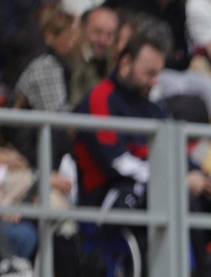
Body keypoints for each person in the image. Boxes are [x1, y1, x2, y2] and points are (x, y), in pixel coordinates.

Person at [72, 32, 168, 210]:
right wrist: (166, 178)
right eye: (149, 73)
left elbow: (172, 150)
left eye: (158, 74)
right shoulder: (101, 97)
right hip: (104, 196)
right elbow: (115, 161)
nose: (155, 81)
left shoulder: (154, 103)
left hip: (145, 184)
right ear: (125, 64)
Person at [66, 6, 118, 104]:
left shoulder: (114, 67)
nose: (102, 40)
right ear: (83, 28)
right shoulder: (67, 59)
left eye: (109, 35)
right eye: (97, 32)